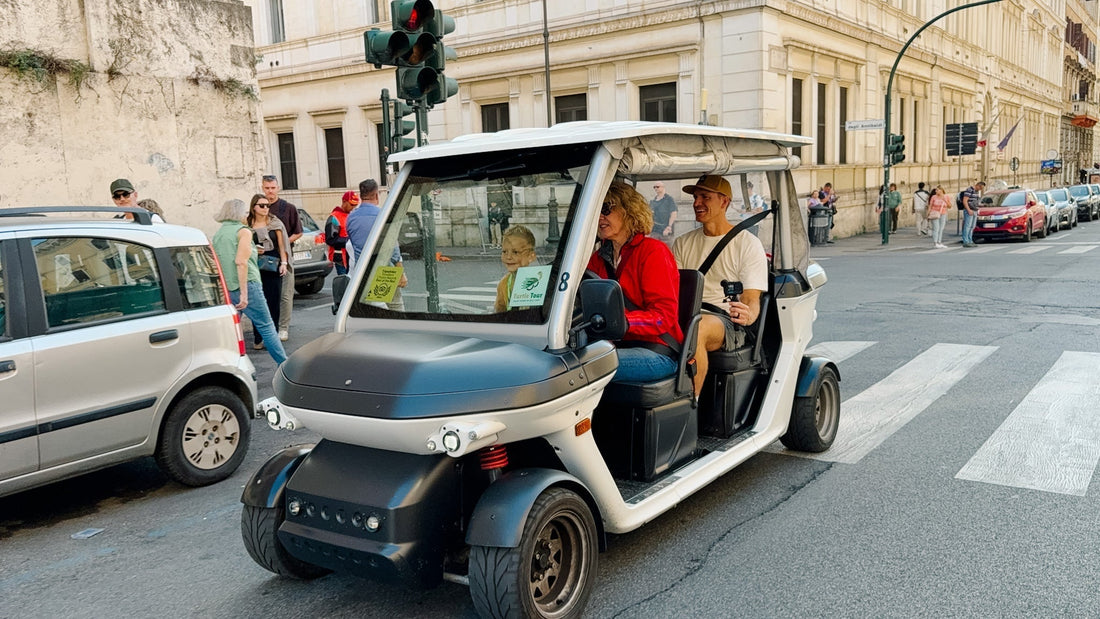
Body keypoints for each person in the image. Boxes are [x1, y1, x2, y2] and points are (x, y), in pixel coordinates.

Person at [672, 174, 768, 397]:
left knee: (698, 326)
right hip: (686, 315)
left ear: (724, 201)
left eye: (705, 197)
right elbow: (672, 290)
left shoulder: (747, 244)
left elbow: (751, 299)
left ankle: (690, 404)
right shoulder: (682, 243)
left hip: (725, 322)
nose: (697, 203)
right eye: (695, 197)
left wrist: (749, 314)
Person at [586, 181, 683, 383]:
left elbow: (663, 317)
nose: (600, 217)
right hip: (614, 346)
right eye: (597, 210)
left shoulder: (653, 252)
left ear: (629, 212)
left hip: (657, 351)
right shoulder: (598, 257)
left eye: (606, 209)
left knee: (582, 369)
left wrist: (623, 322)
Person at [211, 198, 287, 365]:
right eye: (245, 211)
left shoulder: (218, 234)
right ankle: (285, 365)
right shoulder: (244, 231)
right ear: (238, 213)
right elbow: (241, 262)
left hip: (227, 287)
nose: (247, 214)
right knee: (267, 327)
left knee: (231, 331)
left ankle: (231, 365)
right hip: (247, 285)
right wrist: (244, 294)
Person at [346, 178, 407, 306]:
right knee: (394, 306)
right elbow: (393, 247)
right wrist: (400, 272)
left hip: (362, 271)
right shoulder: (382, 215)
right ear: (376, 194)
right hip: (385, 269)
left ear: (361, 195)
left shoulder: (351, 218)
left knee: (374, 307)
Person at [261, 175, 302, 341]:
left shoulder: (288, 208)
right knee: (267, 294)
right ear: (262, 188)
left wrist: (282, 243)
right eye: (267, 188)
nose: (270, 191)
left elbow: (298, 232)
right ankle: (269, 326)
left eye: (272, 188)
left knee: (285, 294)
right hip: (264, 258)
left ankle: (283, 327)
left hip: (284, 256)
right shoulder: (258, 207)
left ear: (278, 188)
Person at [247, 193, 289, 350]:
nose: (266, 208)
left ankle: (273, 337)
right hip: (254, 266)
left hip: (273, 265)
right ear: (254, 208)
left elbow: (282, 245)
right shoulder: (247, 224)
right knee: (256, 302)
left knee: (273, 302)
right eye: (262, 206)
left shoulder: (274, 222)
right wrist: (254, 249)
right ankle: (258, 338)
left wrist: (284, 263)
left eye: (267, 205)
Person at [494, 225, 537, 312]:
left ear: (531, 256)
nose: (509, 257)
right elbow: (499, 312)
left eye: (515, 252)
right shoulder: (504, 284)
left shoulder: (540, 280)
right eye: (504, 252)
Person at [325, 190, 359, 275]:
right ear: (344, 202)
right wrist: (349, 241)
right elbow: (330, 240)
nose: (353, 207)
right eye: (351, 204)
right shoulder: (334, 217)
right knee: (344, 283)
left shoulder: (352, 215)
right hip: (341, 258)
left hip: (352, 256)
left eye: (355, 205)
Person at [960, 181, 985, 248]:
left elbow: (974, 202)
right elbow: (965, 201)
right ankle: (966, 241)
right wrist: (968, 210)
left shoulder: (976, 192)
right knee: (967, 226)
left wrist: (981, 205)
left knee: (972, 226)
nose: (980, 189)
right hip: (969, 210)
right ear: (978, 185)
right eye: (980, 188)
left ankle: (970, 240)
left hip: (975, 210)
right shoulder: (969, 190)